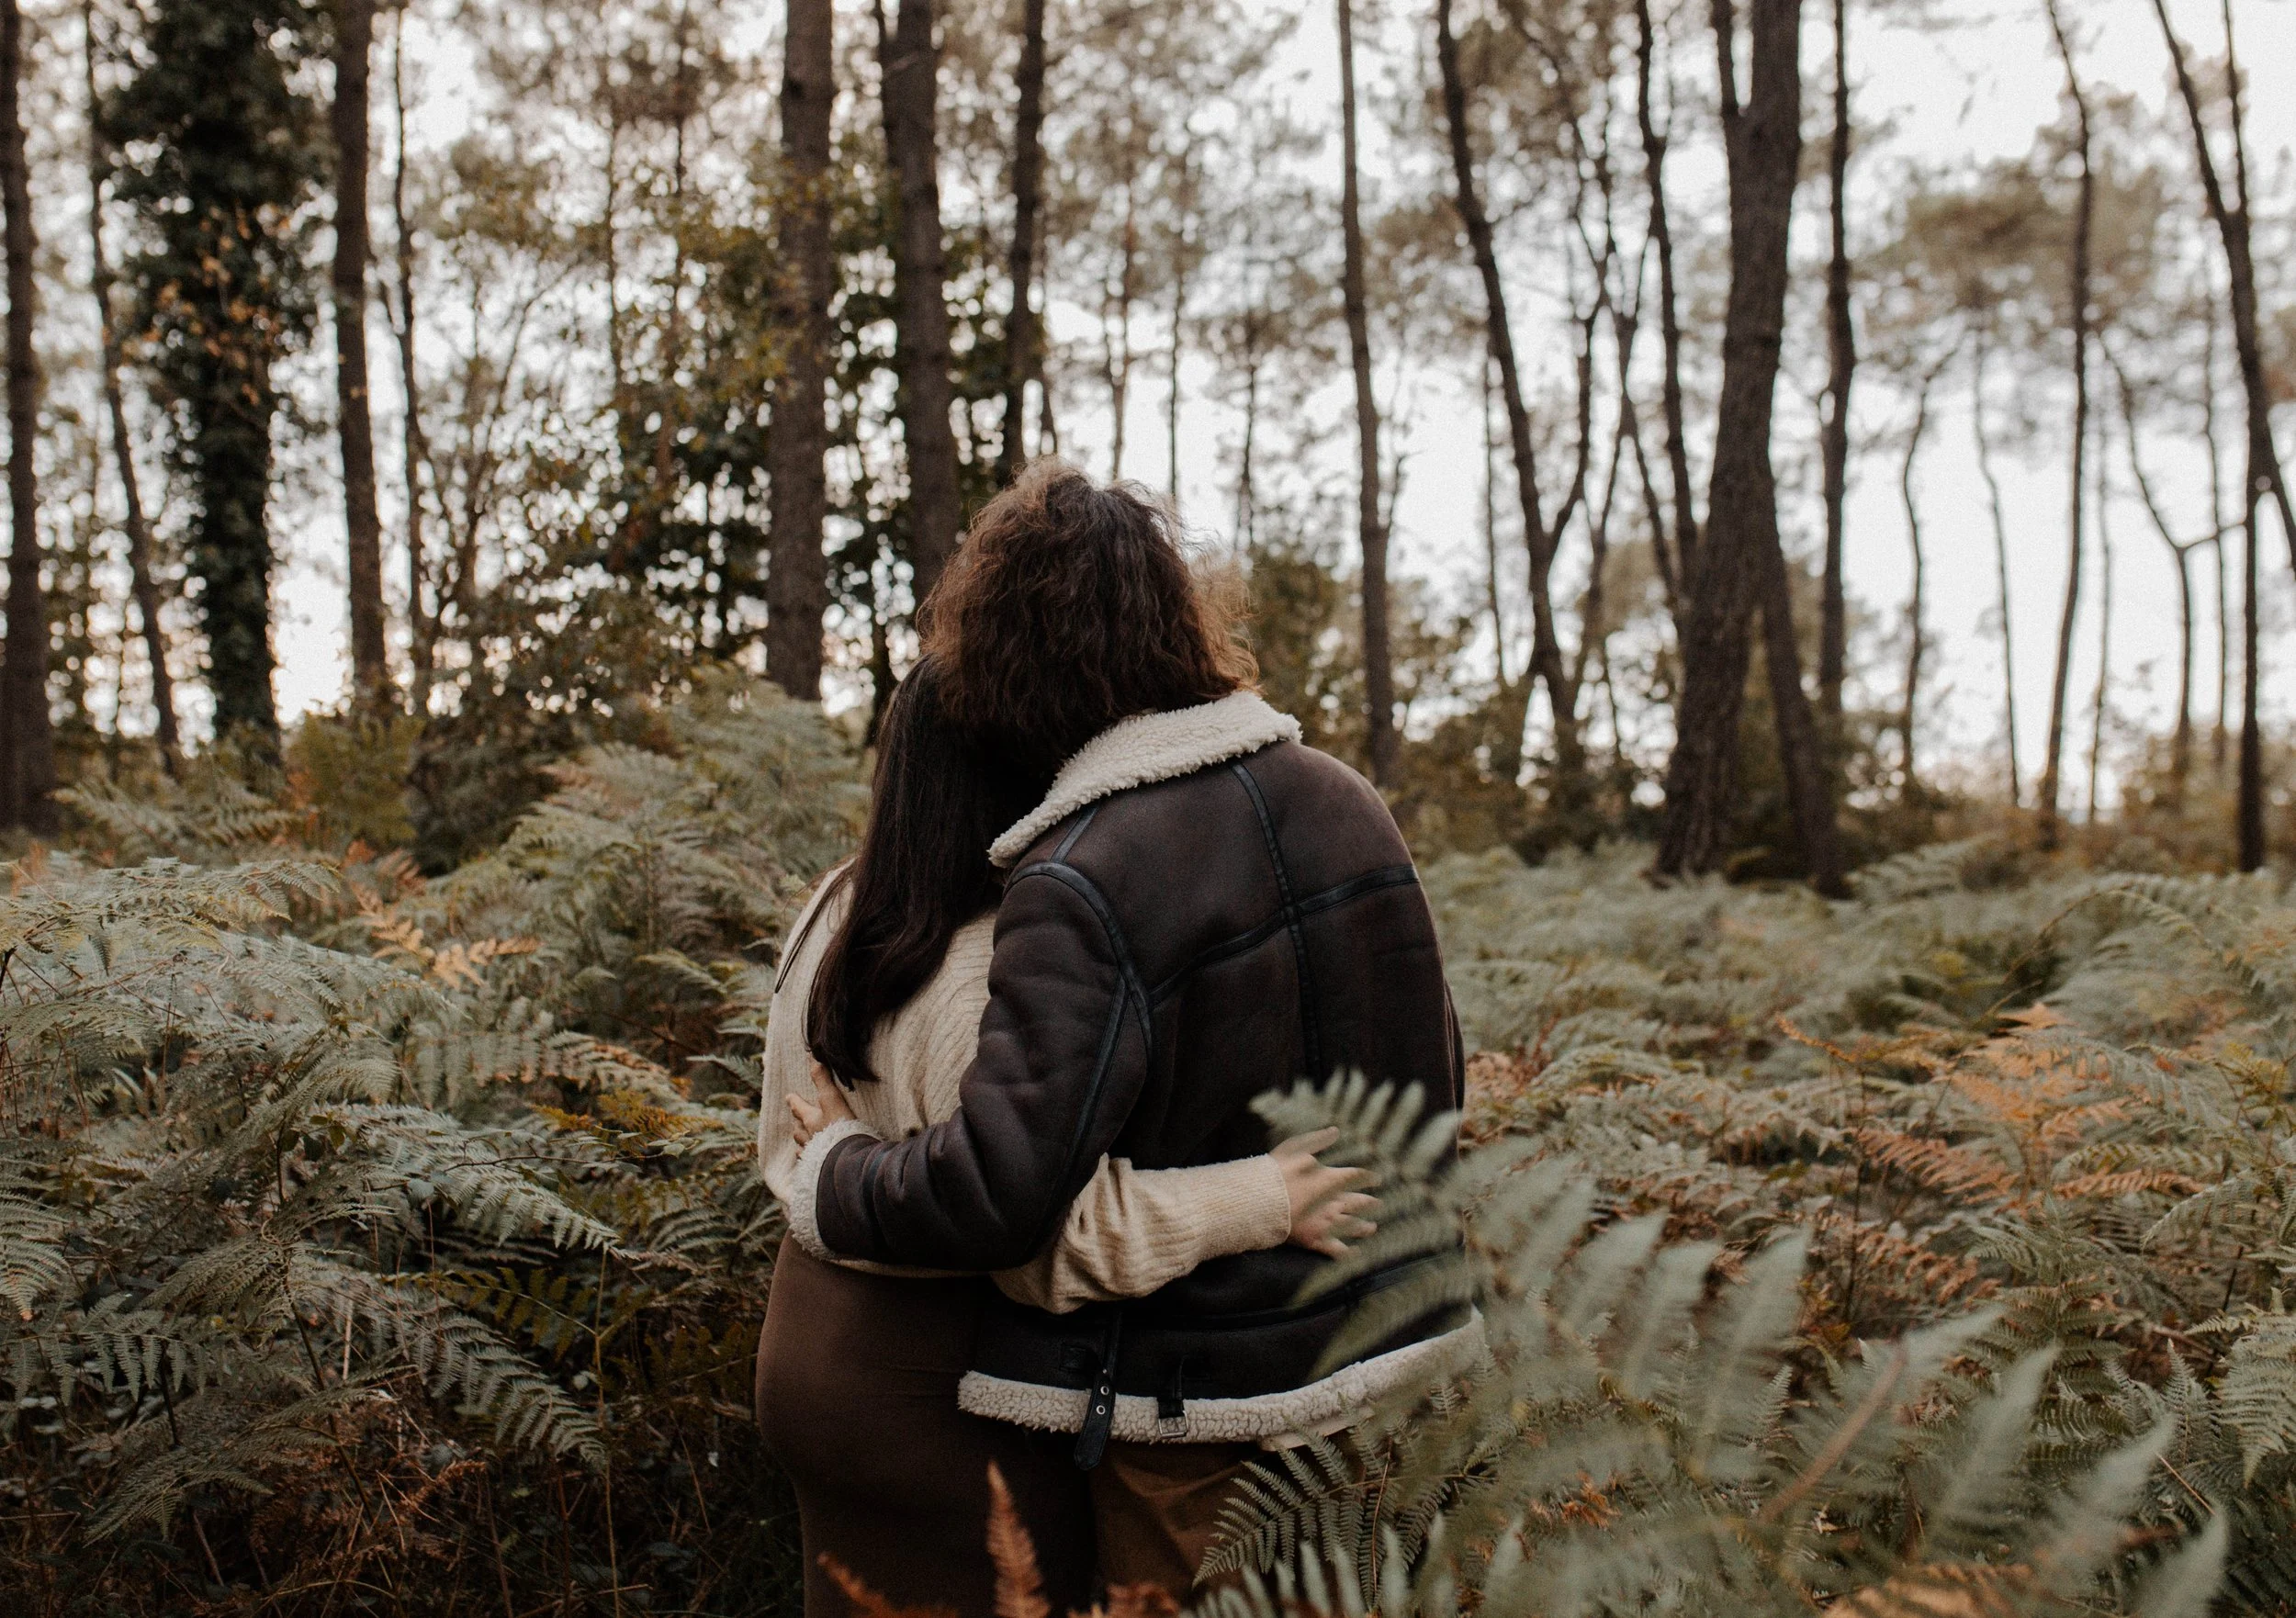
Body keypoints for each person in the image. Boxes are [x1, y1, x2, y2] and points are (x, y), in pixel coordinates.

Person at [783, 461, 1476, 1599]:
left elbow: (996, 1194)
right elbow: (1436, 1084)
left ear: (1006, 666)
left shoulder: (1082, 869)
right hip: (1397, 1358)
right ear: (1177, 615)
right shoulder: (1348, 797)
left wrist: (830, 1174)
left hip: (1198, 1417)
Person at [754, 657, 1371, 1618]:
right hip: (932, 1379)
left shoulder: (838, 904)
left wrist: (841, 1165)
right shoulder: (984, 971)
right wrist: (1268, 1196)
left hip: (807, 1343)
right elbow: (1049, 1238)